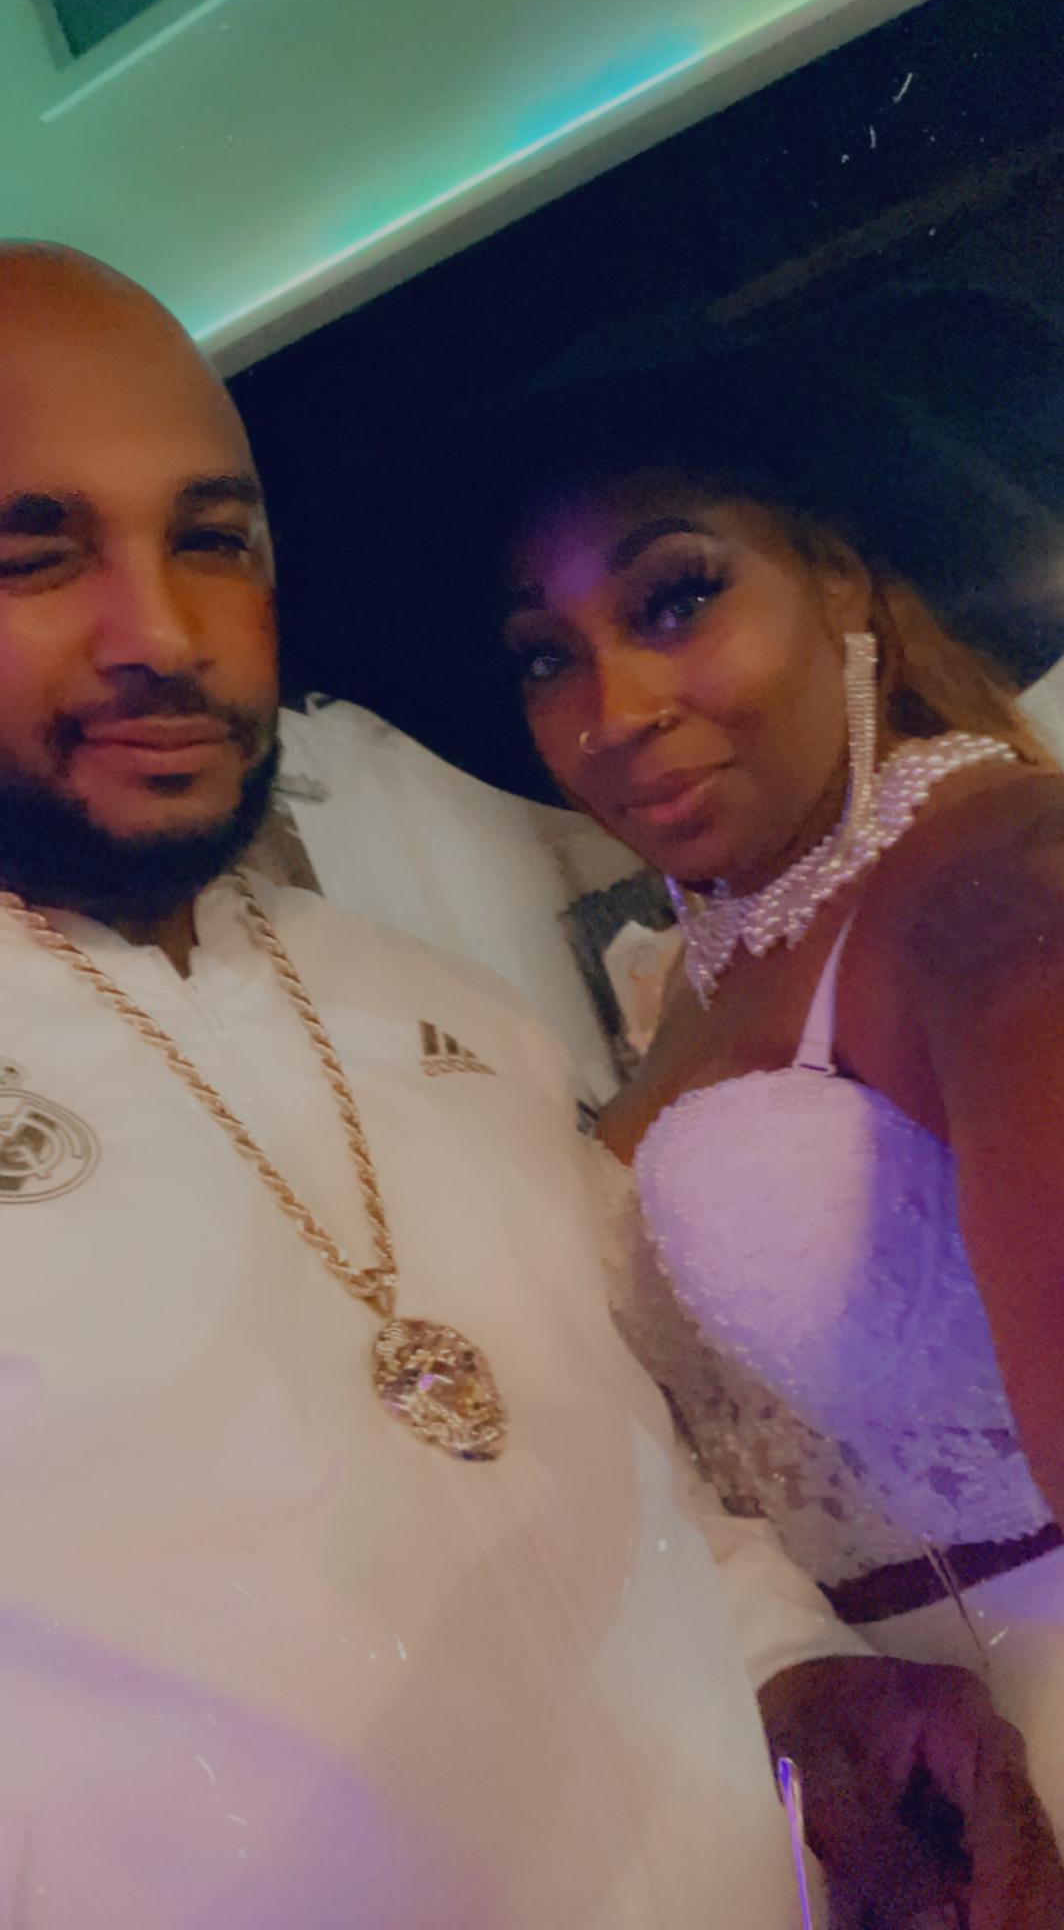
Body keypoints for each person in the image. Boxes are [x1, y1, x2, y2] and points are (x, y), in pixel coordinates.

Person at [8, 241, 1052, 1930]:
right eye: (33, 554)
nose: (162, 634)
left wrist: (799, 1673)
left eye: (212, 541)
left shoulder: (451, 1021)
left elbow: (624, 1460)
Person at [434, 313, 1064, 1877]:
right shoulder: (689, 975)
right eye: (547, 656)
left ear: (841, 580)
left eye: (676, 598)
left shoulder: (999, 880)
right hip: (876, 1809)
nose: (615, 708)